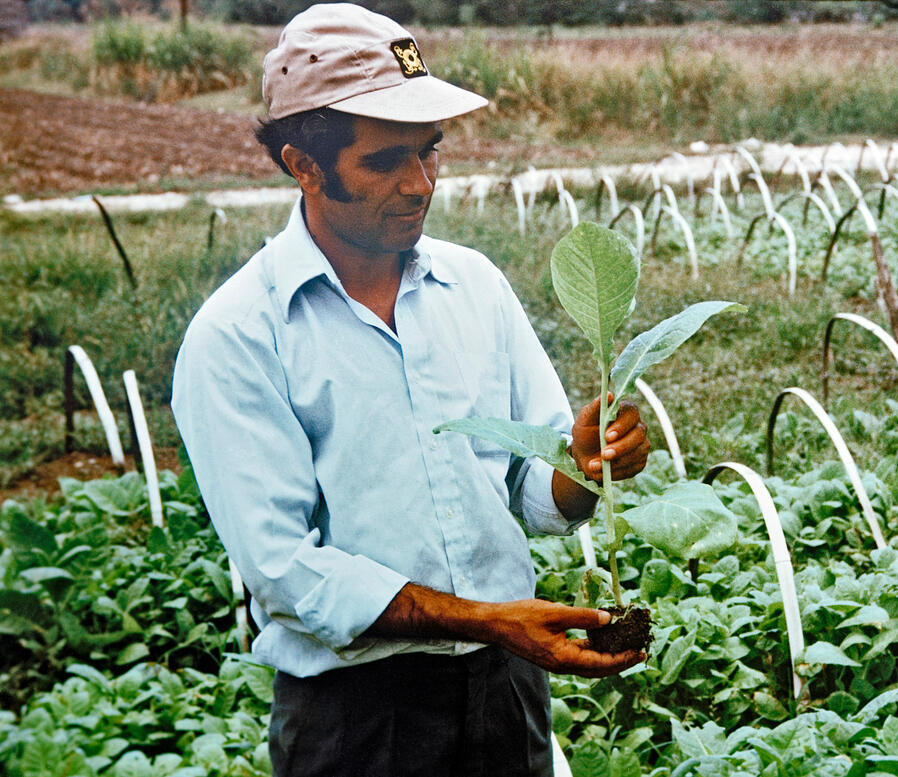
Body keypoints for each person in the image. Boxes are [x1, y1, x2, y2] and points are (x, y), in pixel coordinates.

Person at [170, 4, 650, 775]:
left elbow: (528, 483)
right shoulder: (241, 335)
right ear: (304, 164)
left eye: (430, 150)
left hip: (507, 690)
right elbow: (286, 571)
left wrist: (584, 467)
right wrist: (487, 619)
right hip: (357, 719)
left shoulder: (474, 286)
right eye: (387, 160)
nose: (419, 183)